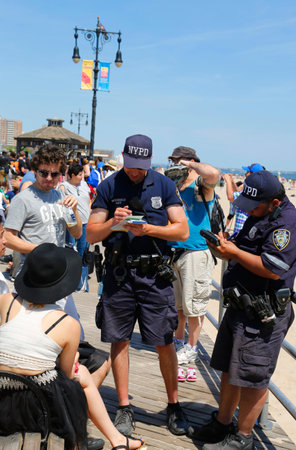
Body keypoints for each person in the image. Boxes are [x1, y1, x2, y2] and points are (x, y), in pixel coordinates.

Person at [86, 134, 190, 437]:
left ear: (150, 161)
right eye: (131, 165)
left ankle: (174, 405)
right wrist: (114, 224)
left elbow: (181, 230)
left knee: (164, 341)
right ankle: (123, 406)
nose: (135, 172)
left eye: (141, 167)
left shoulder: (163, 184)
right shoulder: (108, 186)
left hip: (154, 276)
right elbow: (92, 234)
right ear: (123, 157)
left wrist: (150, 230)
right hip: (119, 275)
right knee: (119, 340)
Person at [189, 170, 296, 450]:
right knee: (230, 369)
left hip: (263, 314)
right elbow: (245, 243)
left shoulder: (289, 223)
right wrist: (228, 244)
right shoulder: (259, 213)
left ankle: (244, 437)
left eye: (255, 206)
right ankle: (222, 424)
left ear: (275, 203)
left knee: (252, 378)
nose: (250, 211)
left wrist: (233, 253)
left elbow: (273, 269)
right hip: (240, 307)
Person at [0, 243, 146, 450]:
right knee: (82, 376)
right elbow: (67, 374)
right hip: (36, 403)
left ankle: (110, 439)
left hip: (3, 391)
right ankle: (106, 439)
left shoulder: (5, 302)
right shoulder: (66, 323)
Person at [3, 144, 84, 337]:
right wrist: (40, 250)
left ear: (61, 175)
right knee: (35, 332)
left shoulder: (61, 196)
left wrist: (74, 211)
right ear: (35, 171)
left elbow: (77, 234)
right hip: (32, 275)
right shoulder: (23, 199)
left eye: (54, 175)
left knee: (74, 332)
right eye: (43, 173)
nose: (49, 179)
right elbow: (7, 238)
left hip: (58, 275)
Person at [167, 146, 220, 368]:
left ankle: (192, 347)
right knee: (179, 306)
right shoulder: (174, 187)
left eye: (179, 162)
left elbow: (213, 174)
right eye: (173, 162)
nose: (175, 166)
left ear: (190, 162)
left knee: (195, 306)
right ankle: (179, 340)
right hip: (175, 252)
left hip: (196, 252)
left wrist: (190, 166)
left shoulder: (201, 187)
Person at [59, 163, 91, 292]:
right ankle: (69, 282)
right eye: (80, 174)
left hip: (85, 223)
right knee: (72, 252)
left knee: (83, 252)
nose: (83, 176)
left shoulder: (84, 185)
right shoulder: (64, 187)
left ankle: (81, 284)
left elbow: (89, 200)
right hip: (72, 224)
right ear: (72, 175)